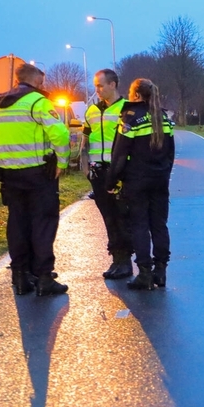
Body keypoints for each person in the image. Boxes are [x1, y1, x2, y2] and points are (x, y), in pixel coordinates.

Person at [0, 62, 70, 296]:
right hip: (38, 174)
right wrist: (62, 162)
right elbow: (61, 134)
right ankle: (44, 277)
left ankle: (20, 276)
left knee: (17, 223)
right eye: (42, 82)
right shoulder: (38, 102)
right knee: (43, 223)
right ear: (36, 81)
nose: (43, 85)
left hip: (9, 174)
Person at [107, 78, 175, 290]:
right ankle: (161, 271)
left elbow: (119, 153)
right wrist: (164, 172)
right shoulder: (162, 117)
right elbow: (171, 152)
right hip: (160, 179)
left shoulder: (130, 117)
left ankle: (144, 273)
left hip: (137, 180)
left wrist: (111, 180)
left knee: (139, 225)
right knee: (159, 225)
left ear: (136, 95)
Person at [81, 69, 132, 279]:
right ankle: (116, 259)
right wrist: (85, 167)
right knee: (108, 217)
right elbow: (85, 140)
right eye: (95, 86)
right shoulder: (92, 111)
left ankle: (125, 261)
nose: (97, 90)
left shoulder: (126, 109)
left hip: (119, 171)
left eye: (100, 85)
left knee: (122, 216)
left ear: (113, 84)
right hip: (97, 171)